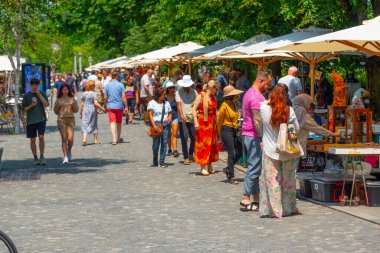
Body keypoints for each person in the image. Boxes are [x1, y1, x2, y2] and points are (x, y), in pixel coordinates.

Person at [258, 84, 300, 218]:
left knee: (272, 181)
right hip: (286, 150)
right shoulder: (289, 110)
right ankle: (288, 208)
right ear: (286, 96)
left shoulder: (264, 108)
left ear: (272, 94)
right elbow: (296, 129)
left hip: (270, 150)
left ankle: (274, 210)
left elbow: (264, 104)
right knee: (288, 180)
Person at [240, 71, 271, 212]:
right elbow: (257, 119)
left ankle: (257, 198)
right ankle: (245, 199)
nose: (268, 86)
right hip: (253, 135)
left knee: (255, 167)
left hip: (247, 134)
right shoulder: (255, 97)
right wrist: (262, 137)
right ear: (261, 80)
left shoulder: (248, 93)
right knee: (254, 168)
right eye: (268, 83)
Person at [293, 94, 339, 170]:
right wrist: (333, 134)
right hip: (297, 148)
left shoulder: (291, 110)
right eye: (309, 103)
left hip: (288, 147)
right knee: (293, 172)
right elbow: (317, 129)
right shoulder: (303, 115)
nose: (309, 107)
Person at [217, 85, 243, 184]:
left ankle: (228, 168)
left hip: (235, 130)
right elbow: (219, 122)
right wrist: (219, 135)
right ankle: (231, 176)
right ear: (231, 95)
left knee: (239, 151)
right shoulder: (224, 106)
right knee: (231, 153)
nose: (237, 95)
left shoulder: (234, 104)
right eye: (235, 94)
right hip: (226, 130)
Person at [193, 80, 219, 176]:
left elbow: (215, 111)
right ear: (211, 88)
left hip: (211, 124)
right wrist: (195, 121)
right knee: (203, 144)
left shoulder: (213, 97)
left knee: (211, 144)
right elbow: (193, 109)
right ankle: (202, 166)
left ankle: (209, 164)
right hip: (202, 123)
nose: (217, 91)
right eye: (216, 89)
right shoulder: (200, 96)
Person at [22, 78, 49, 165]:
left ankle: (42, 156)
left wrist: (40, 95)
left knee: (41, 137)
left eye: (37, 84)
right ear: (31, 85)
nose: (35, 86)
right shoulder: (27, 96)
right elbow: (24, 110)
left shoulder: (42, 93)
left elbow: (47, 104)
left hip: (41, 119)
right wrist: (32, 105)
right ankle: (35, 157)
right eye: (33, 85)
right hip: (31, 121)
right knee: (32, 139)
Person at [54, 83, 79, 164]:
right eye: (63, 89)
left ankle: (69, 150)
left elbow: (76, 110)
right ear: (61, 90)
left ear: (69, 90)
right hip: (61, 120)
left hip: (70, 120)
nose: (65, 91)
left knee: (70, 139)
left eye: (66, 89)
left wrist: (74, 105)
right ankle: (65, 157)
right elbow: (56, 112)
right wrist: (58, 106)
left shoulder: (72, 99)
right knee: (64, 138)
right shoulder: (58, 99)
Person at [148, 87, 172, 167]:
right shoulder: (152, 103)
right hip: (156, 125)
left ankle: (162, 161)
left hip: (165, 125)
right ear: (159, 95)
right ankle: (155, 158)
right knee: (156, 144)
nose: (165, 96)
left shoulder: (167, 103)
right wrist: (154, 126)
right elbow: (150, 115)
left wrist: (169, 118)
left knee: (164, 143)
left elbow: (170, 113)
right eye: (164, 94)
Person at [176, 75, 197, 165]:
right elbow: (178, 105)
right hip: (182, 119)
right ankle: (185, 157)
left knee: (193, 137)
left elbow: (196, 104)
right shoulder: (178, 92)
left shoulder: (194, 92)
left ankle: (191, 153)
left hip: (192, 118)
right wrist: (181, 115)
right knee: (184, 137)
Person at [104, 71, 128, 145]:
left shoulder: (107, 85)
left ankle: (114, 139)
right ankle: (118, 138)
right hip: (119, 106)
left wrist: (105, 105)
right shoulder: (121, 85)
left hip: (111, 106)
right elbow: (124, 97)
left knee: (112, 122)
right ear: (117, 76)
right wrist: (126, 106)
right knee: (119, 122)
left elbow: (105, 97)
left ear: (111, 76)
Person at [80, 80, 107, 145]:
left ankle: (84, 139)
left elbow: (82, 104)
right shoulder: (94, 94)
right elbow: (96, 103)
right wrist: (102, 108)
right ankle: (95, 140)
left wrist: (81, 112)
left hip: (85, 110)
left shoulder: (83, 93)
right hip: (92, 109)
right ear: (93, 86)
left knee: (85, 123)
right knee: (93, 123)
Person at [165, 82, 179, 157]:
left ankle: (175, 150)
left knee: (174, 134)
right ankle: (169, 148)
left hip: (175, 116)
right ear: (167, 89)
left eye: (173, 87)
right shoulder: (164, 97)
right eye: (170, 88)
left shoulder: (176, 96)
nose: (172, 89)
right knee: (168, 135)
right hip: (166, 118)